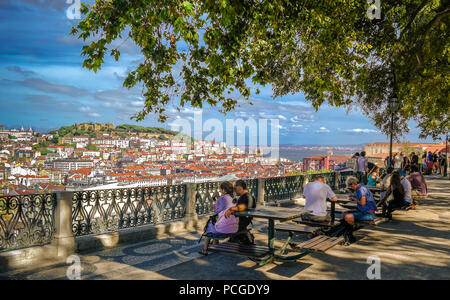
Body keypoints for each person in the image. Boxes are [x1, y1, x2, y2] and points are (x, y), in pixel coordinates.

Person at [199, 181, 237, 255]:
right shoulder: (234, 198)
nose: (219, 190)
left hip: (223, 228)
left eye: (220, 189)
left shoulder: (221, 199)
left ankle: (205, 250)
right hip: (233, 227)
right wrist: (218, 198)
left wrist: (214, 200)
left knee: (208, 230)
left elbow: (216, 211)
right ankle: (215, 245)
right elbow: (226, 204)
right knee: (216, 223)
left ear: (224, 190)